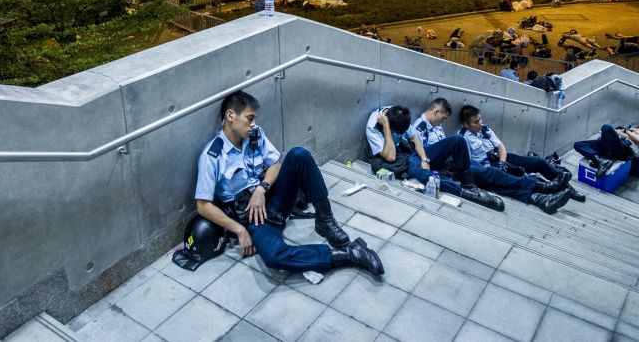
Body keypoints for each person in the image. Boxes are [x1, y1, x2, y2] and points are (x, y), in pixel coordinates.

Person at [194, 91, 384, 276]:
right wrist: (239, 230)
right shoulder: (212, 156)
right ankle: (351, 254)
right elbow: (203, 206)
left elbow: (276, 164)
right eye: (249, 118)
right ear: (230, 116)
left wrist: (262, 188)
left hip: (273, 199)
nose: (254, 124)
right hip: (255, 219)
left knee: (298, 155)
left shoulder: (255, 134)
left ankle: (325, 220)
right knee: (274, 257)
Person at [364, 100, 504, 210]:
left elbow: (415, 140)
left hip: (411, 152)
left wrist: (424, 159)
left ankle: (469, 184)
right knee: (425, 176)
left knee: (458, 140)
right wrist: (387, 128)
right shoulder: (374, 127)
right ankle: (463, 191)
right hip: (400, 159)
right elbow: (390, 157)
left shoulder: (397, 113)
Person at [456, 105, 582, 213]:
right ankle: (545, 195)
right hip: (487, 166)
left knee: (538, 162)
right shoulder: (462, 138)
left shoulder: (485, 129)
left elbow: (500, 146)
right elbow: (470, 164)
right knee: (515, 179)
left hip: (501, 158)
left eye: (480, 119)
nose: (480, 123)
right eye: (476, 122)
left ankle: (567, 187)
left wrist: (502, 162)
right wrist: (496, 168)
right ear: (466, 124)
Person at [574, 124, 639, 177]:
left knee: (607, 127)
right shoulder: (624, 131)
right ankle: (599, 161)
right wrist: (623, 133)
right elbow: (604, 131)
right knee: (578, 144)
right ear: (634, 128)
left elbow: (638, 140)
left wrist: (626, 132)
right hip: (607, 145)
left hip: (622, 150)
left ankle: (605, 158)